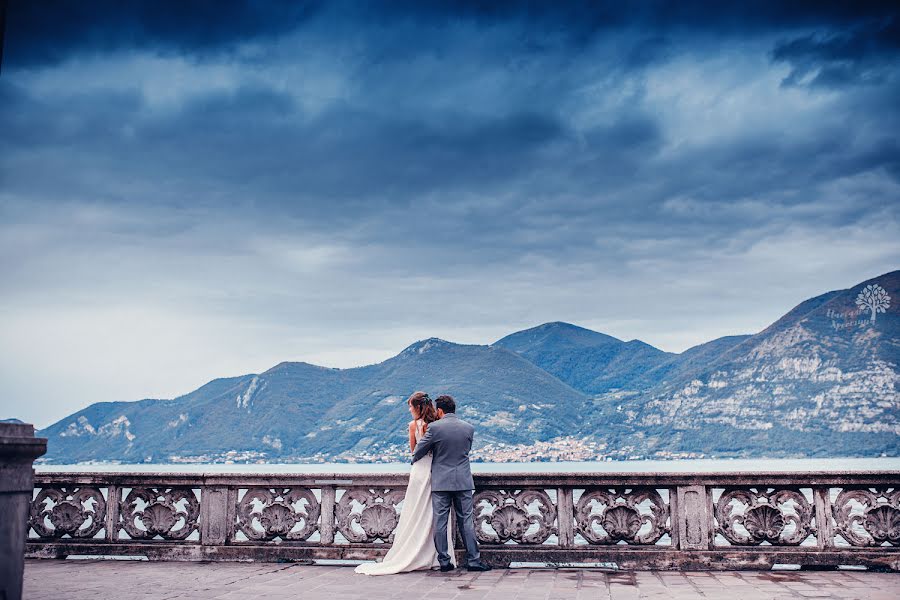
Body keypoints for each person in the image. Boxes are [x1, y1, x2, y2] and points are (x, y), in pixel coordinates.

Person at [354, 391, 443, 575]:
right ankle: (433, 554)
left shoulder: (413, 426)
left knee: (415, 512)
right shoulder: (436, 425)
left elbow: (414, 451)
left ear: (418, 407)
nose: (409, 410)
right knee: (432, 514)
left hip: (419, 471)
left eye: (410, 406)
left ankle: (414, 551)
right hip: (435, 471)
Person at [412, 395, 491, 572]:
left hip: (441, 482)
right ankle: (474, 560)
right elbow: (465, 451)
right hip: (463, 481)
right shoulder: (468, 428)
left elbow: (418, 451)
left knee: (440, 522)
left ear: (439, 411)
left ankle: (444, 561)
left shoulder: (434, 428)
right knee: (467, 522)